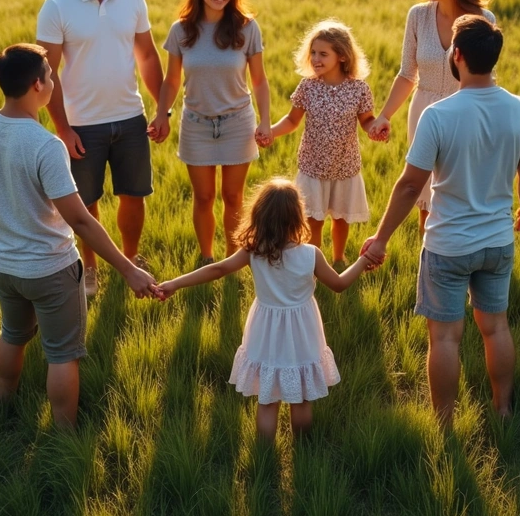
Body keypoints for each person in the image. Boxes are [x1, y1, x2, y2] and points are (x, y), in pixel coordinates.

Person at [0, 44, 157, 429]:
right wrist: (128, 270)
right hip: (51, 269)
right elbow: (80, 222)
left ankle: (3, 407)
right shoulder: (45, 145)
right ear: (37, 85)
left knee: (12, 334)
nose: (54, 80)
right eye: (50, 75)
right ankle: (65, 433)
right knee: (62, 354)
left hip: (4, 265)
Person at [363, 15, 520, 429]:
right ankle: (502, 410)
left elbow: (411, 186)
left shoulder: (438, 115)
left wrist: (380, 238)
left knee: (445, 338)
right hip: (497, 242)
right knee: (496, 328)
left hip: (448, 245)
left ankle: (444, 424)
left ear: (456, 55)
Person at [155, 178, 370, 441]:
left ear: (259, 216)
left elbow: (218, 268)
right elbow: (339, 284)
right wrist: (363, 261)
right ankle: (303, 448)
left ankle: (264, 453)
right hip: (303, 330)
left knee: (267, 400)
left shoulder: (254, 251)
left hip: (265, 329)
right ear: (297, 217)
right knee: (301, 397)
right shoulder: (311, 254)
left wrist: (174, 284)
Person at [36, 0, 163, 297]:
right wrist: (63, 128)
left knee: (134, 194)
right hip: (82, 124)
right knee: (87, 202)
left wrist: (162, 109)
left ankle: (131, 258)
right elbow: (47, 73)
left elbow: (148, 56)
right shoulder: (56, 6)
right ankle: (90, 268)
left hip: (130, 117)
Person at [149, 0, 272, 266]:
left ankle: (232, 261)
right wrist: (161, 114)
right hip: (196, 123)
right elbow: (172, 80)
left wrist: (266, 121)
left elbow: (259, 80)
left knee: (233, 197)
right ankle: (207, 260)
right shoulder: (182, 30)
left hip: (237, 122)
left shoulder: (247, 27)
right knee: (203, 198)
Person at [368, 0, 497, 233]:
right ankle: (431, 260)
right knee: (423, 192)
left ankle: (463, 257)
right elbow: (406, 74)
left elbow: (487, 79)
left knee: (460, 193)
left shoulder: (484, 20)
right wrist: (385, 116)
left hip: (466, 114)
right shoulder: (418, 16)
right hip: (424, 112)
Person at [270, 19, 377, 264]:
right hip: (313, 165)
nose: (316, 59)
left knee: (341, 218)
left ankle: (339, 259)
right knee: (313, 220)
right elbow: (292, 120)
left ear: (341, 56)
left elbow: (367, 120)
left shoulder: (359, 89)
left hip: (344, 166)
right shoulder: (308, 86)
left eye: (323, 54)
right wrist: (272, 132)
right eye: (313, 53)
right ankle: (314, 262)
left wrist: (376, 129)